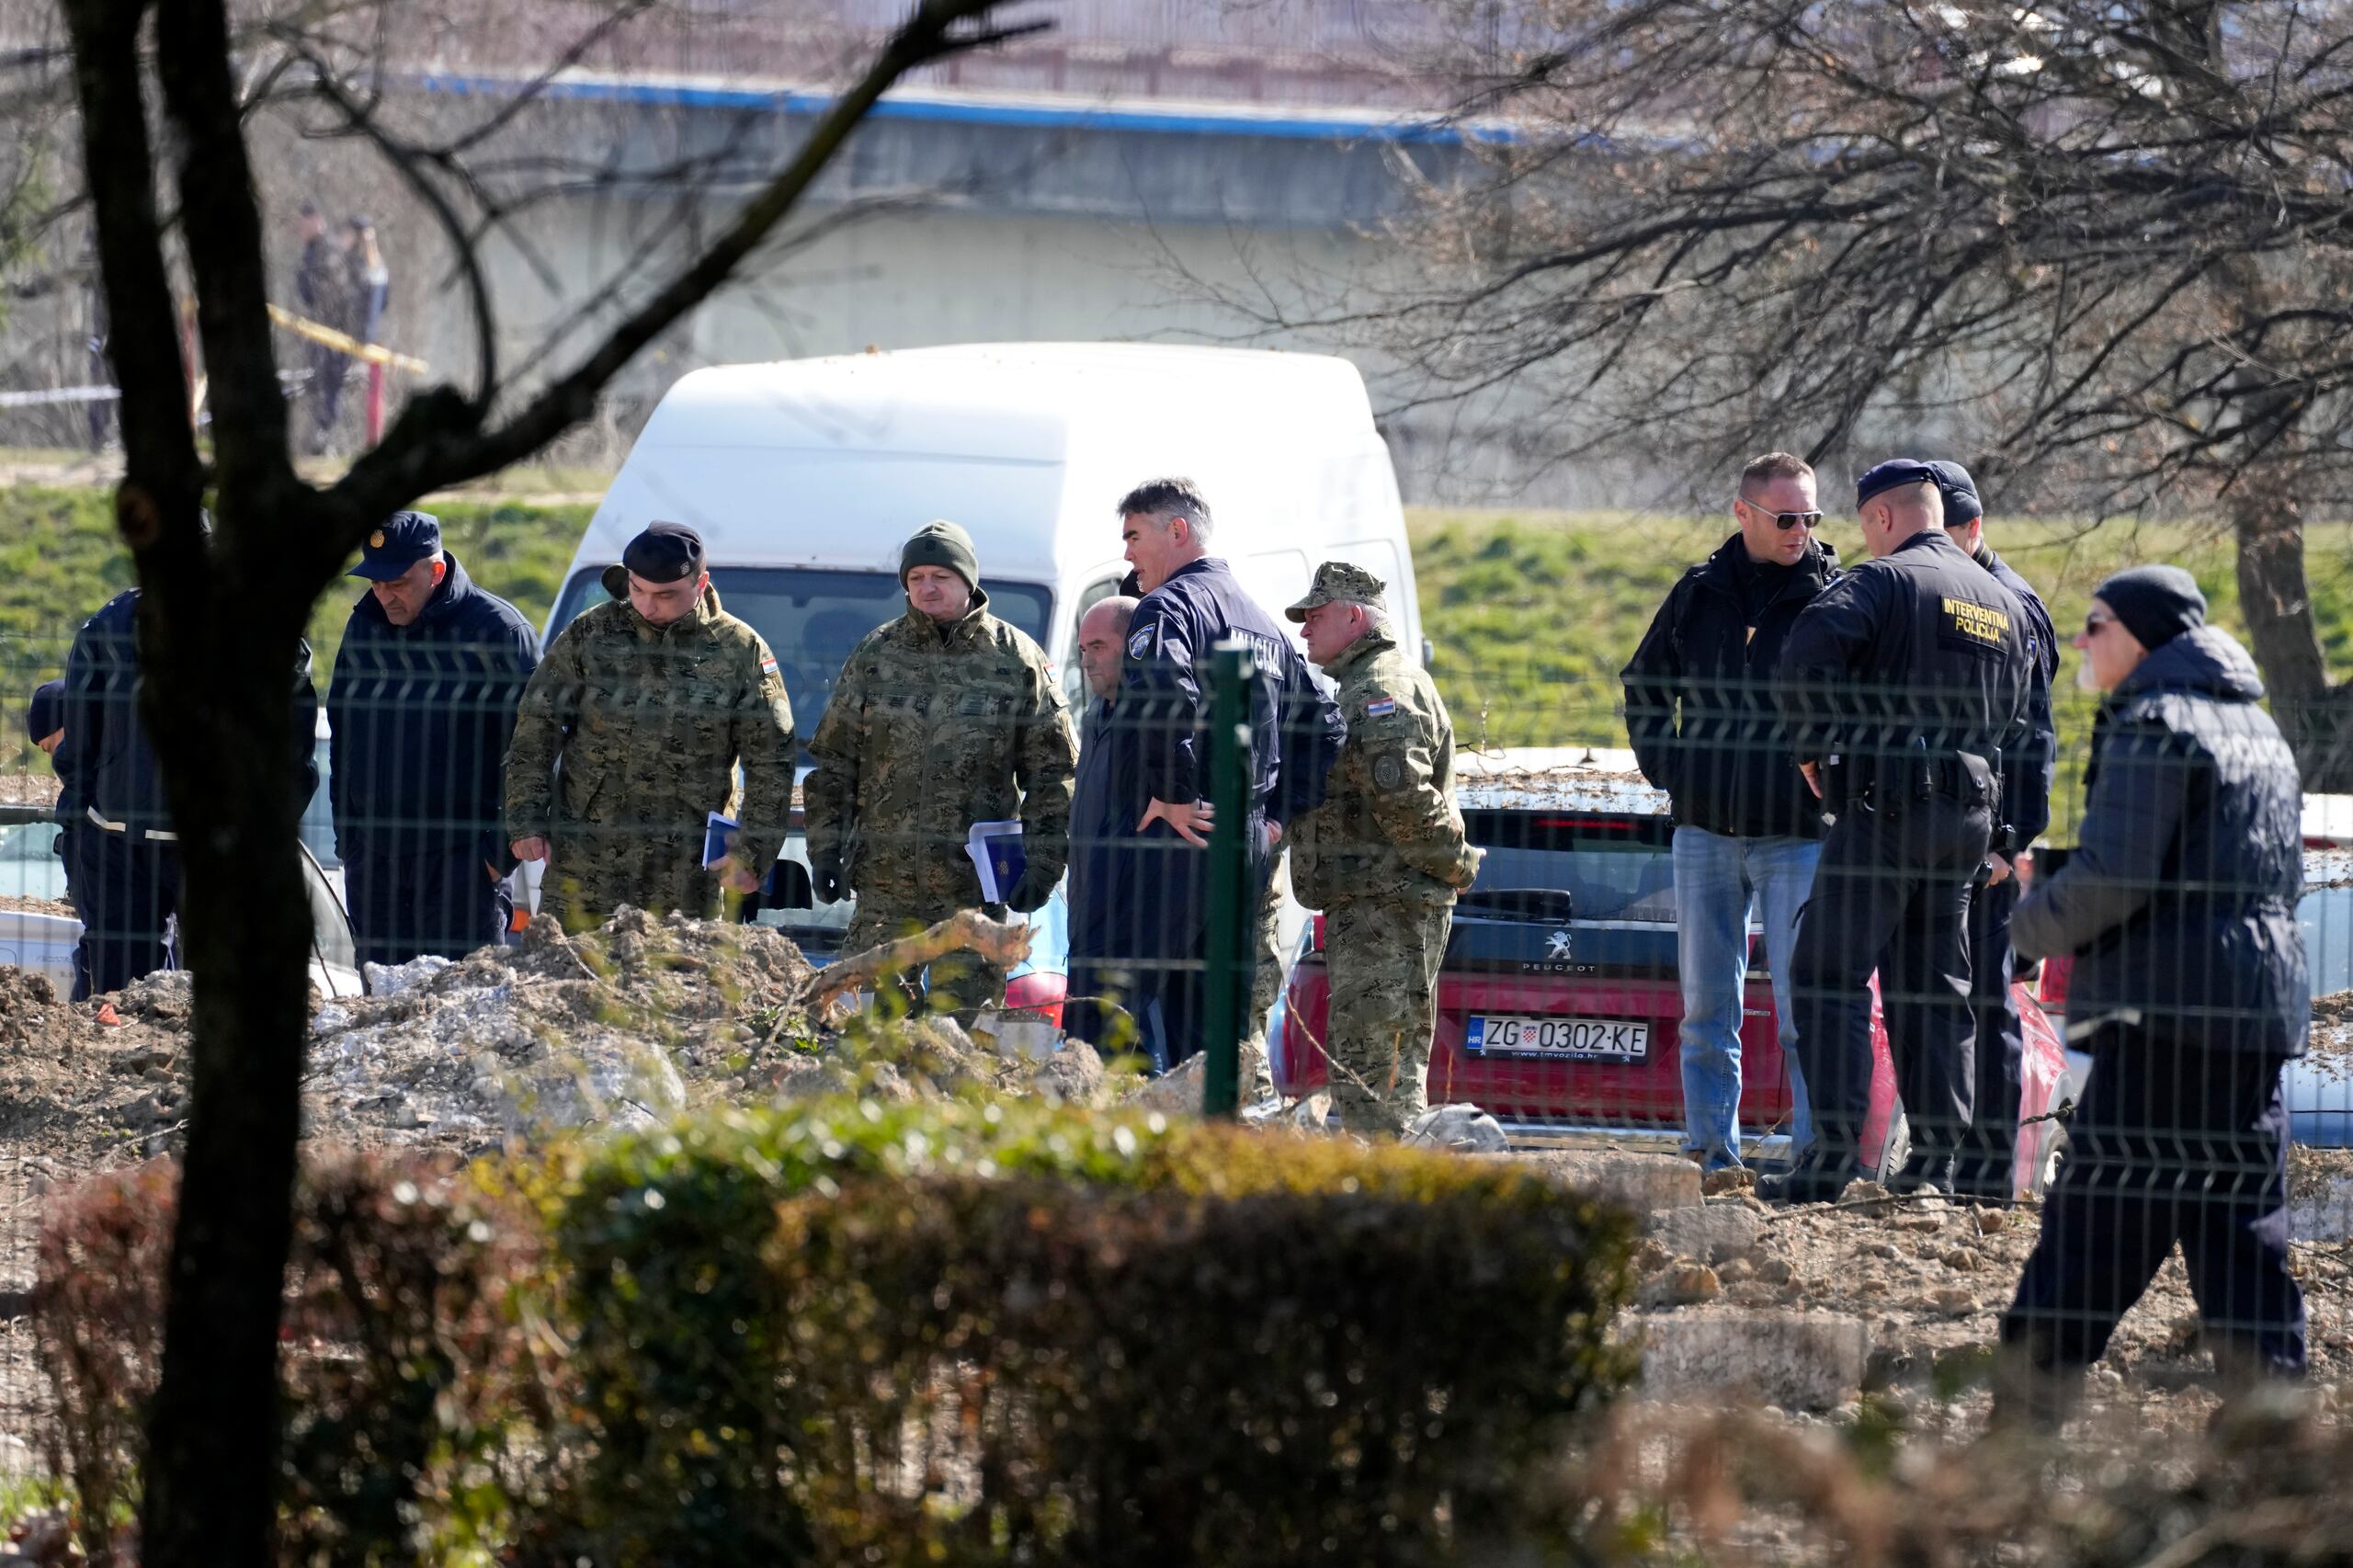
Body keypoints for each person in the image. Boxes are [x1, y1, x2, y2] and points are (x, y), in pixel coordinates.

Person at [1995, 568, 2307, 1424]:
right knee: (2241, 1238)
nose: (2083, 642)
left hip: (2162, 1019)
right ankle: (2277, 1443)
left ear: (2136, 633)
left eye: (2093, 625)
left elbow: (2115, 877)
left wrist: (2019, 929)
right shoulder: (2258, 730)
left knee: (2093, 1232)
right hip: (2252, 1018)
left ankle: (2014, 1436)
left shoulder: (2155, 721)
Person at [1767, 460, 2033, 1202]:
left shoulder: (1881, 582)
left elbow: (1804, 656)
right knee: (1937, 990)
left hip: (1885, 809)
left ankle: (1830, 1159)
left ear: (1882, 518)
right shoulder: (2000, 599)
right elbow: (2017, 714)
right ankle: (1935, 1169)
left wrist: (1814, 749)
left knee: (1829, 973)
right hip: (1966, 822)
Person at [1622, 450, 1840, 1173]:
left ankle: (1816, 1161)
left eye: (1811, 516)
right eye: (1786, 517)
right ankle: (1711, 1158)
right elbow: (1645, 682)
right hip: (1705, 833)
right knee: (1706, 1015)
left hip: (1799, 838)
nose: (1801, 530)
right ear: (1743, 513)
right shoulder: (1698, 593)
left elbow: (1868, 702)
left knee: (1806, 1013)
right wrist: (1672, 768)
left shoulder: (1835, 595)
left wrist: (1834, 778)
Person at [1114, 478, 1345, 1072]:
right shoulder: (1259, 620)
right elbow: (1325, 723)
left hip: (1183, 838)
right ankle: (1207, 1142)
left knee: (1122, 1007)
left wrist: (1172, 793)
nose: (1127, 554)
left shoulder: (1170, 608)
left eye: (1135, 536)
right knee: (1211, 1023)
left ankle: (1120, 1149)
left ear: (1178, 531)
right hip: (1243, 845)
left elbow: (1162, 693)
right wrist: (1271, 819)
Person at [803, 521, 1076, 1015]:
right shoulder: (877, 654)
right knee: (868, 1034)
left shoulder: (1015, 659)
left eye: (941, 576)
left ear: (968, 581)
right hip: (885, 891)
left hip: (973, 892)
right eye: (917, 577)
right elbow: (834, 764)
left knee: (956, 1037)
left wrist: (1042, 865)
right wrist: (825, 851)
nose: (927, 587)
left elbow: (1053, 774)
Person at [503, 521, 794, 928]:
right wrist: (526, 817)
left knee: (675, 988)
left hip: (685, 873)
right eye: (637, 590)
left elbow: (771, 761)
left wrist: (754, 851)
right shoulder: (592, 633)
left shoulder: (739, 650)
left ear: (701, 583)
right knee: (571, 983)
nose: (647, 605)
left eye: (665, 595)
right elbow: (537, 727)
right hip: (586, 863)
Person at [1286, 562, 1481, 1134]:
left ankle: (1391, 1186)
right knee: (1369, 1061)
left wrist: (1459, 863)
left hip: (1388, 908)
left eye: (1315, 616)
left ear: (1353, 616)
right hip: (1374, 904)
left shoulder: (1380, 689)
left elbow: (1407, 800)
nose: (1304, 630)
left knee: (1381, 1070)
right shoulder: (1366, 681)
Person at [53, 589, 320, 998]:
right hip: (119, 845)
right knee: (118, 998)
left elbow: (293, 741)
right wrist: (80, 827)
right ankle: (125, 1064)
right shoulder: (107, 627)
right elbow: (79, 742)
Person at [1927, 460, 2060, 1203]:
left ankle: (1986, 1184)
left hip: (1988, 840)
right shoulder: (1944, 587)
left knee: (1986, 1005)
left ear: (1974, 531)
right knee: (1945, 1001)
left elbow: (2033, 736)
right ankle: (1948, 1172)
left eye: (1941, 535)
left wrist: (2013, 841)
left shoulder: (2010, 602)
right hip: (1945, 828)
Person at [328, 510, 540, 967]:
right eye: (375, 582)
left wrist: (495, 856)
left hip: (461, 867)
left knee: (461, 1016)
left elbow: (531, 751)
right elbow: (344, 732)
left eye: (398, 582)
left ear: (436, 570)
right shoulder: (364, 626)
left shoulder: (499, 633)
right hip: (376, 865)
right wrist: (350, 841)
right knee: (380, 1018)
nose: (384, 595)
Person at [1064, 594, 1143, 1051]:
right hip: (1088, 911)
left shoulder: (1152, 721)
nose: (1086, 661)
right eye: (1082, 650)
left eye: (1098, 647)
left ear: (1133, 645)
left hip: (1126, 918)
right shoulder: (1099, 713)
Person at [292, 199, 351, 452]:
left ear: (317, 221)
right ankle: (320, 440)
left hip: (333, 331)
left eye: (305, 224)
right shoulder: (311, 250)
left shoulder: (329, 250)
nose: (301, 230)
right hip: (318, 331)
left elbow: (336, 293)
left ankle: (329, 440)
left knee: (330, 386)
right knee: (317, 385)